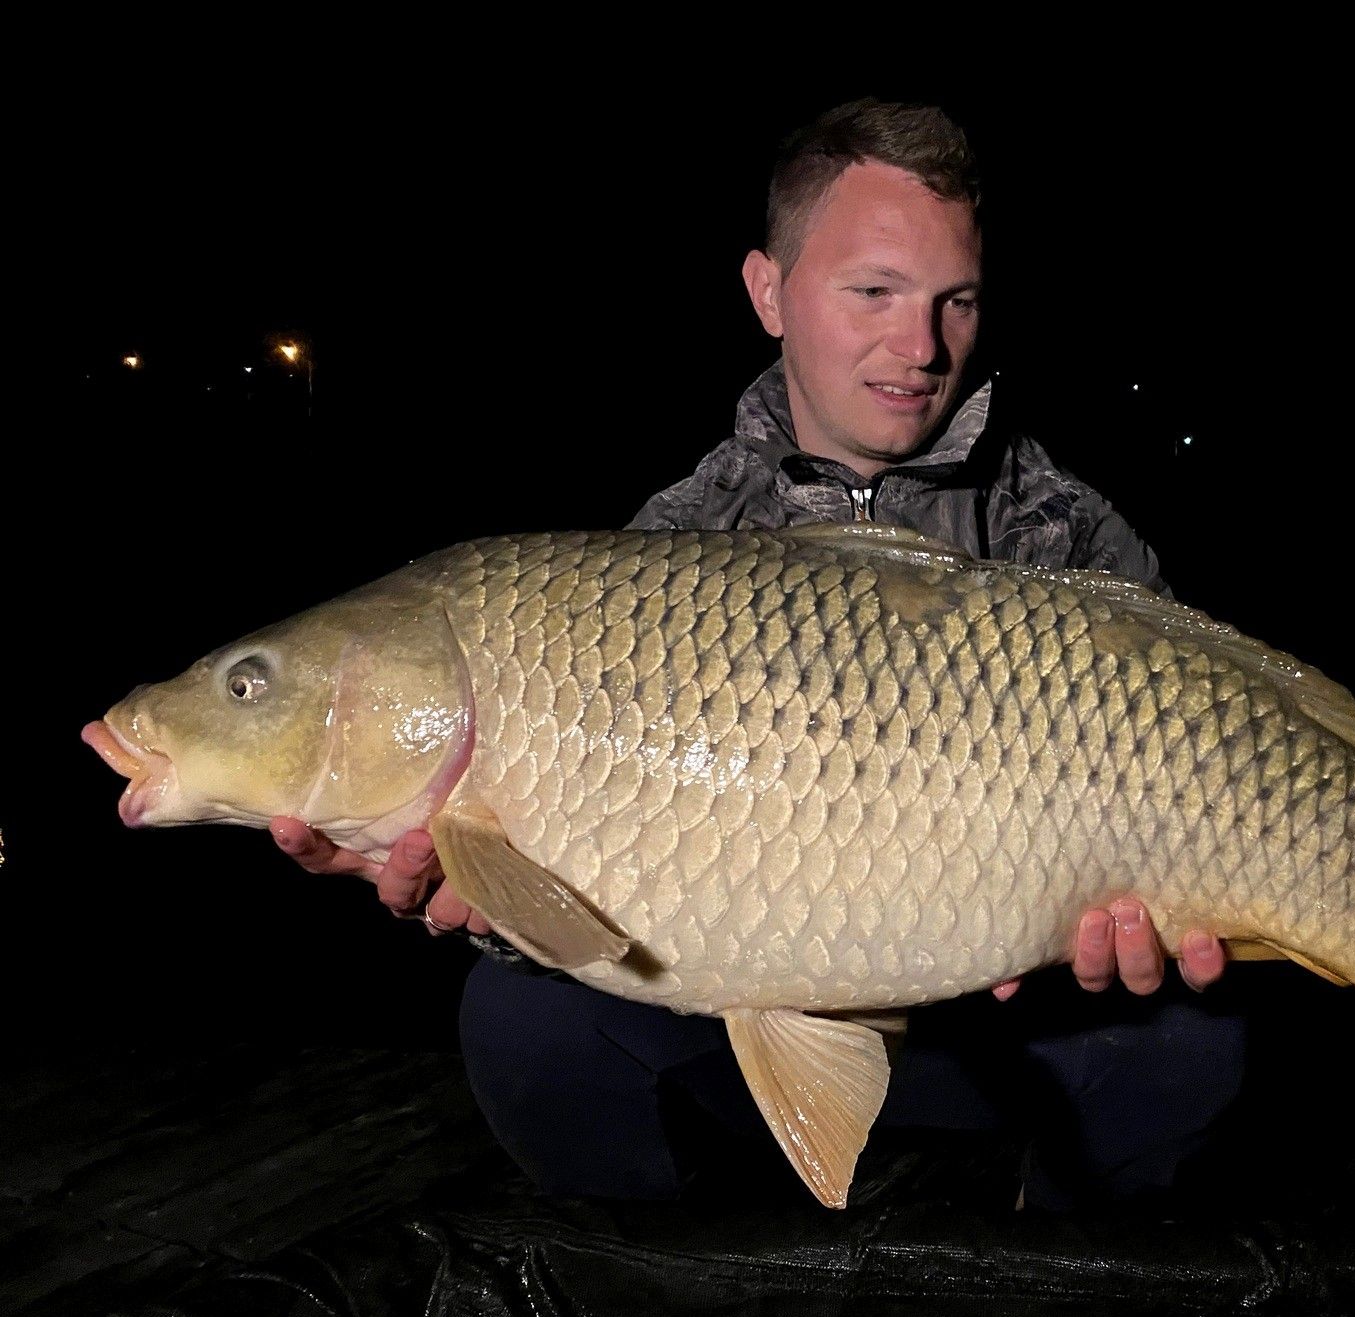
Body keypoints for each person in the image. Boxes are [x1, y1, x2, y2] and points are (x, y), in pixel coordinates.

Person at [270, 98, 1246, 1209]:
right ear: (768, 292)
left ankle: (1056, 1309)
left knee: (1191, 1043)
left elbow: (1200, 782)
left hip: (1015, 1030)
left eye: (954, 302)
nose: (920, 348)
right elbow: (592, 895)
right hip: (747, 1027)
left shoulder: (1062, 534)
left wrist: (1144, 931)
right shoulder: (677, 545)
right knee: (524, 1020)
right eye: (872, 293)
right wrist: (470, 894)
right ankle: (700, 1292)